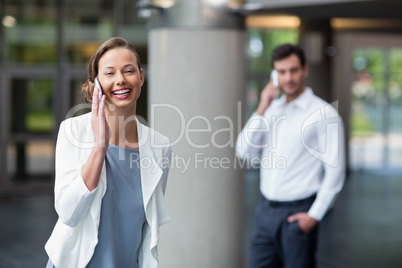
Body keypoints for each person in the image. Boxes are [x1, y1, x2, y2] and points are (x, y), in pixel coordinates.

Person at [44, 37, 171, 268]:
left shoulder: (159, 146)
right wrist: (100, 146)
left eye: (129, 71)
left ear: (141, 77)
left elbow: (147, 226)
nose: (120, 80)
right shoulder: (73, 131)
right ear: (97, 84)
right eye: (110, 73)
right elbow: (68, 215)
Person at [236, 43, 346, 268]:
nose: (288, 77)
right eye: (282, 71)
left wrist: (314, 215)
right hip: (265, 213)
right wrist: (261, 108)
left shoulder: (324, 113)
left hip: (299, 214)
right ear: (274, 75)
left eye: (293, 70)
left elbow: (336, 170)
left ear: (304, 69)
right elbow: (244, 152)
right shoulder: (271, 110)